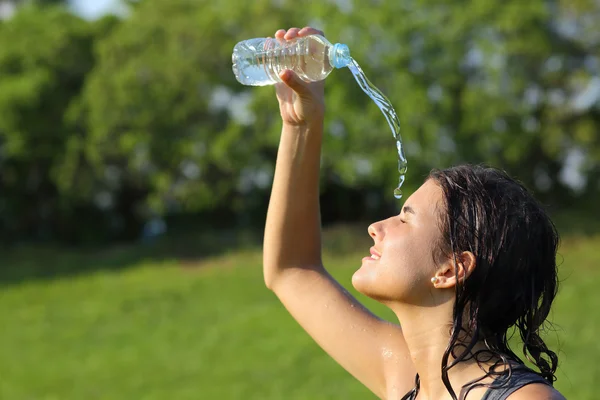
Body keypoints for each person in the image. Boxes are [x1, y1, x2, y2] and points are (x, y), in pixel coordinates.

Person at [262, 26, 566, 400]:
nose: (376, 227)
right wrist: (300, 124)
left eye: (405, 219)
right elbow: (292, 269)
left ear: (451, 269)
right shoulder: (405, 373)